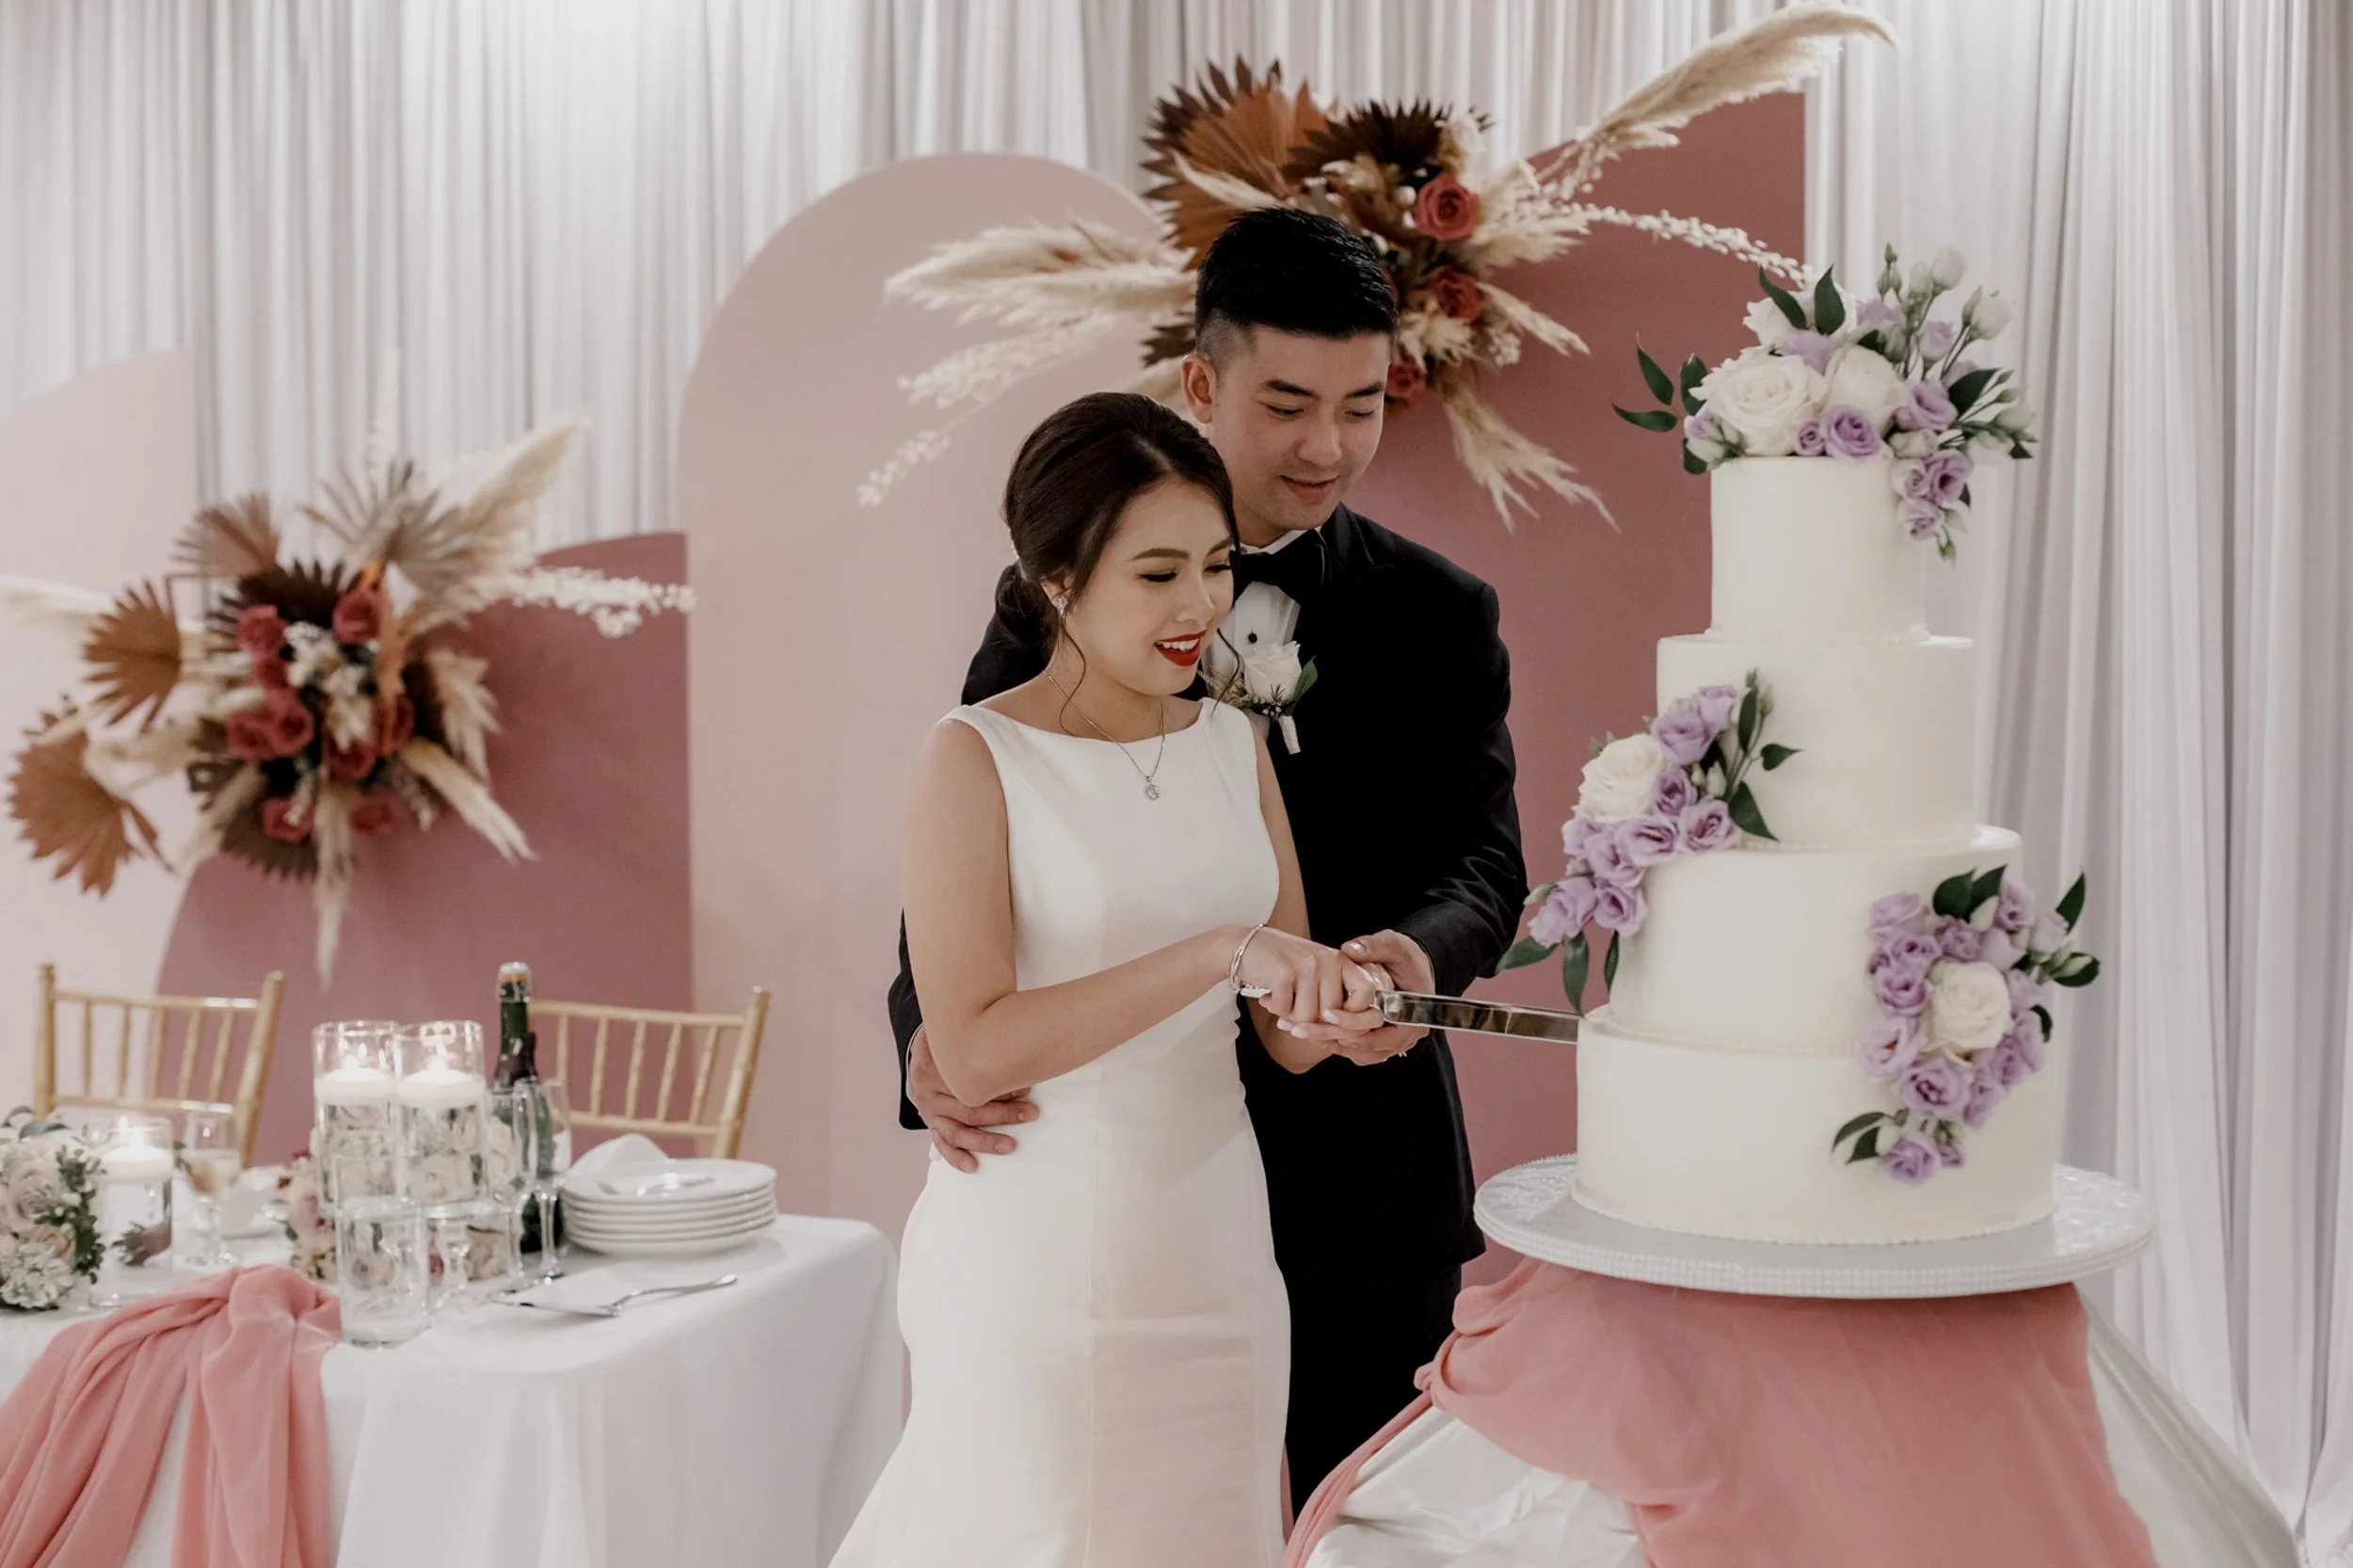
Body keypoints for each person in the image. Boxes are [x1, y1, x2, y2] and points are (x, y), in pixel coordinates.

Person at [887, 207, 1529, 1508]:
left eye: (1360, 406)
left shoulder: (1439, 613)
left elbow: (1483, 859)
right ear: (1201, 381)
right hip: (1089, 1185)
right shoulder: (1057, 586)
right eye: (1288, 404)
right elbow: (987, 817)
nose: (1326, 445)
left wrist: (1408, 963)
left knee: (1357, 1523)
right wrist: (930, 1037)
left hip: (1358, 1155)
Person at [832, 392, 1404, 1567]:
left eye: (1216, 564)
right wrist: (1217, 951)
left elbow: (1284, 1034)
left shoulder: (1232, 742)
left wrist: (1358, 998)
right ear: (1057, 578)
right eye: (1157, 574)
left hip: (1216, 1248)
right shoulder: (973, 756)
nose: (1202, 606)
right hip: (1033, 1262)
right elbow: (974, 1047)